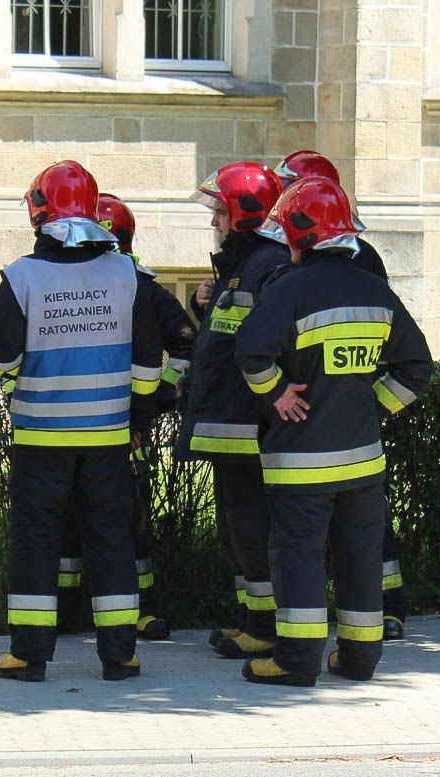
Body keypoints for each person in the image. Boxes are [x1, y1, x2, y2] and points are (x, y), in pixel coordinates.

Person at [234, 177, 433, 686]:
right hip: (363, 461)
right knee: (360, 557)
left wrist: (276, 392)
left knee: (298, 556)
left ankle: (296, 662)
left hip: (301, 462)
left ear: (300, 234)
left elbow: (250, 351)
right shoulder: (375, 289)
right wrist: (372, 408)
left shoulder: (289, 289)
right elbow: (417, 368)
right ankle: (360, 659)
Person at [0, 160, 162, 682]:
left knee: (37, 540)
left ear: (39, 213)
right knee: (111, 540)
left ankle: (29, 656)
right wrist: (135, 413)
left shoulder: (23, 276)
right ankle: (120, 654)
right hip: (108, 435)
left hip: (41, 434)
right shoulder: (127, 274)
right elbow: (149, 363)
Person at [275, 149, 408, 640]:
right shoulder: (330, 257)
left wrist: (373, 404)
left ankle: (388, 609)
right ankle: (364, 632)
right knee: (358, 531)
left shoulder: (354, 260)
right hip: (350, 427)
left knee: (363, 534)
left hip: (332, 424)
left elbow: (378, 334)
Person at [54, 193, 195, 641]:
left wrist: (157, 400)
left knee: (129, 523)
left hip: (128, 430)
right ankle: (64, 610)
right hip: (71, 425)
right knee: (66, 523)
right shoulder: (62, 282)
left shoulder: (143, 289)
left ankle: (139, 610)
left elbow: (187, 347)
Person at [177, 162, 290, 660]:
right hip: (232, 426)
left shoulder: (269, 263)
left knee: (252, 526)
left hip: (249, 427)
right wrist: (207, 305)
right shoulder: (246, 263)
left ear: (244, 214)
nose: (213, 223)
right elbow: (227, 333)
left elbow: (265, 341)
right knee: (237, 528)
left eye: (219, 212)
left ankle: (264, 626)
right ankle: (251, 619)